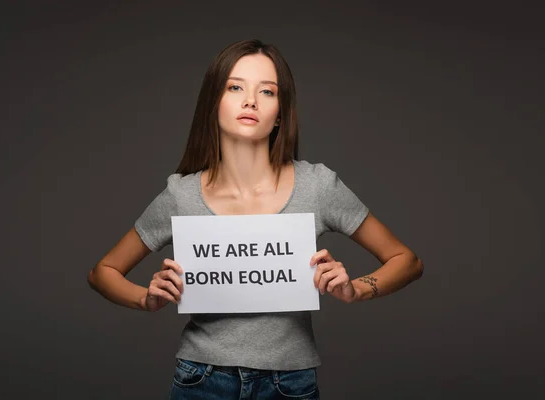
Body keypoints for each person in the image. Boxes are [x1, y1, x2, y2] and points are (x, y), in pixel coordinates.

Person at [88, 39, 424, 400]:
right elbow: (102, 272)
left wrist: (356, 289)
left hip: (290, 382)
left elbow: (407, 261)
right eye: (235, 87)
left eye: (267, 91)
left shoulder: (317, 186)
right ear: (213, 102)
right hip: (200, 380)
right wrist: (146, 299)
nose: (250, 100)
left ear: (280, 112)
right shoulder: (181, 196)